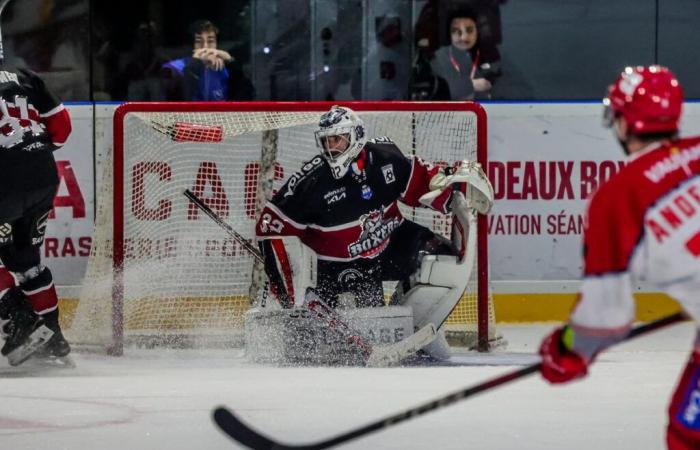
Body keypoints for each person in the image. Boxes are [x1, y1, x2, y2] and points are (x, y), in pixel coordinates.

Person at [537, 65, 700, 449]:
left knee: (687, 434)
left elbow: (604, 319)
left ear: (625, 123)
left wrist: (566, 351)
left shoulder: (618, 197)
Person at [254, 105, 493, 359]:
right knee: (310, 346)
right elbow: (270, 226)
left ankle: (418, 331)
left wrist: (455, 186)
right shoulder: (311, 182)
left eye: (337, 139)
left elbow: (425, 180)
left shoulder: (384, 157)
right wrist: (289, 287)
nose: (331, 148)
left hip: (388, 245)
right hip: (334, 268)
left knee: (442, 258)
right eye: (326, 141)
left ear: (355, 136)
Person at [0, 68, 72, 365]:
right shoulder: (25, 77)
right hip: (43, 174)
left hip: (5, 179)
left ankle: (20, 319)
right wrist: (30, 153)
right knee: (26, 260)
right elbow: (63, 130)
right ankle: (52, 335)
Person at [162, 20, 254, 101]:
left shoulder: (225, 68)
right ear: (192, 44)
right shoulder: (177, 66)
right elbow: (180, 97)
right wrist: (196, 63)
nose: (205, 47)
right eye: (199, 41)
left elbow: (248, 95)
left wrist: (230, 61)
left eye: (210, 41)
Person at [430, 7, 501, 100]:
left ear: (478, 32)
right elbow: (438, 91)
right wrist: (472, 85)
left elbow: (510, 89)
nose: (463, 37)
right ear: (449, 34)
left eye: (469, 30)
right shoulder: (437, 58)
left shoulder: (491, 56)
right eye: (456, 31)